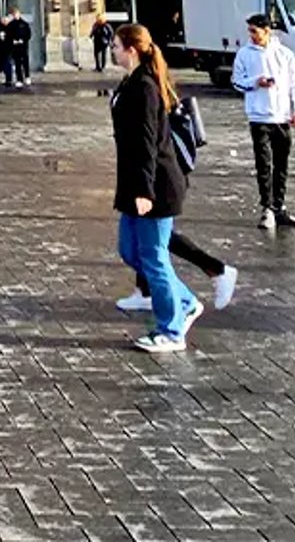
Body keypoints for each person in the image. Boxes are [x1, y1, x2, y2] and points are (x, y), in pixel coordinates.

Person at [109, 23, 200, 354]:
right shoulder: (130, 81)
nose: (112, 50)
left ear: (131, 50)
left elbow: (148, 142)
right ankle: (186, 301)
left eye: (116, 46)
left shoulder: (145, 86)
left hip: (155, 185)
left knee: (154, 257)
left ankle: (172, 331)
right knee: (130, 251)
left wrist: (145, 191)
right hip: (134, 181)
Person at [230, 12, 295, 229]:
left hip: (281, 116)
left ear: (267, 31)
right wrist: (256, 82)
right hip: (258, 116)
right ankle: (267, 208)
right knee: (264, 163)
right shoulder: (244, 54)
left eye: (255, 31)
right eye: (250, 31)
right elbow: (237, 81)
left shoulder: (284, 54)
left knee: (282, 164)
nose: (252, 36)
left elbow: (294, 84)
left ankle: (279, 207)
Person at [4, 9, 35, 90]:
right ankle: (19, 79)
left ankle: (27, 76)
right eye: (14, 14)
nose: (16, 16)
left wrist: (23, 40)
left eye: (17, 14)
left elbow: (28, 34)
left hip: (23, 47)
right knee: (17, 64)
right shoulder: (11, 25)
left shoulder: (24, 24)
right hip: (15, 47)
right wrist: (12, 41)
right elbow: (8, 35)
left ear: (19, 14)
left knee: (25, 63)